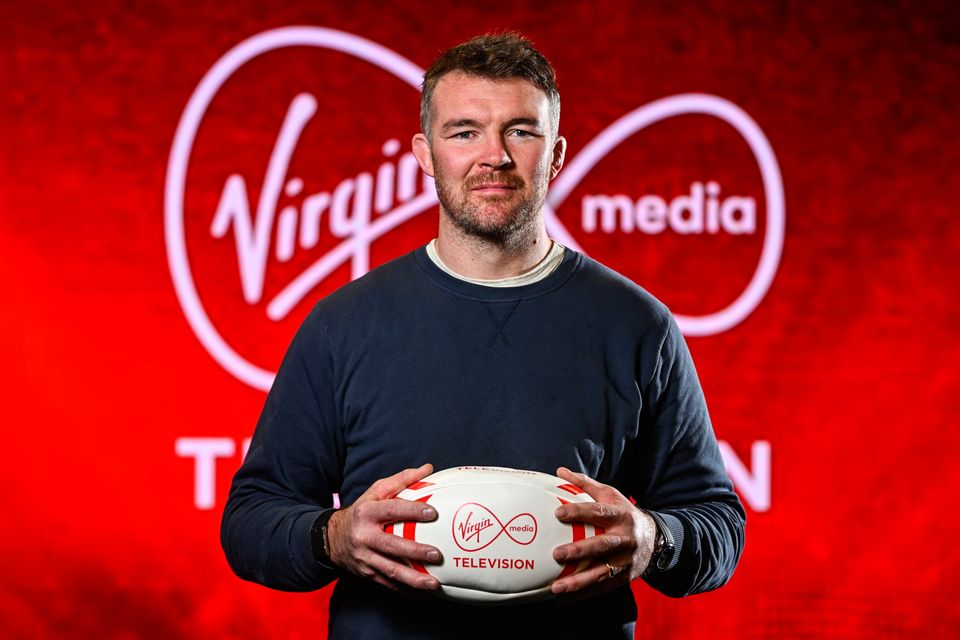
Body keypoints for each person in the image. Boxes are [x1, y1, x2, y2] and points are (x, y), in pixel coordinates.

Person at [221, 33, 745, 639]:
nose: (493, 155)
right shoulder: (344, 324)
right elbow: (250, 521)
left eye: (520, 131)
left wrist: (656, 538)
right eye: (464, 131)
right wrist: (332, 538)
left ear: (556, 153)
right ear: (424, 152)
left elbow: (718, 526)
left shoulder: (637, 325)